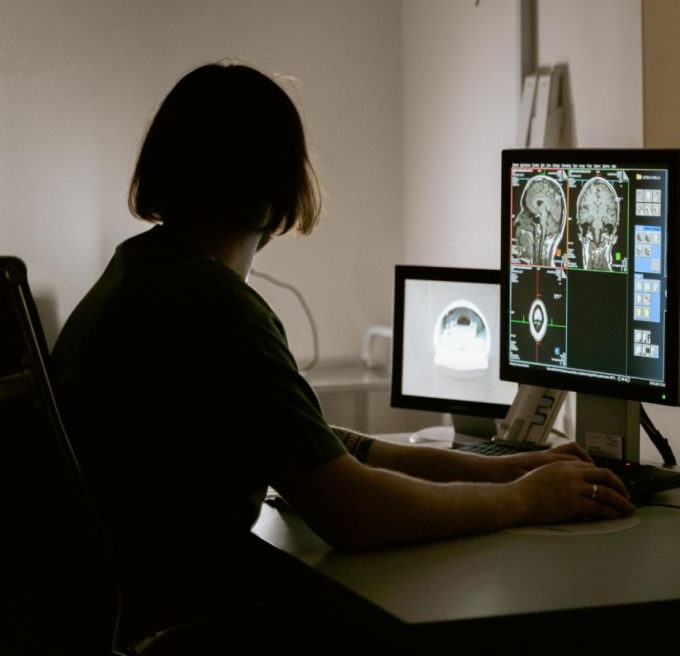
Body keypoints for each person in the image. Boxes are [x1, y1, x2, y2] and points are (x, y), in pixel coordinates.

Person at [51, 61, 634, 651]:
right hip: (184, 619)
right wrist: (522, 500)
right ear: (278, 182)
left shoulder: (138, 272)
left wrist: (504, 467)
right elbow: (354, 512)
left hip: (129, 613)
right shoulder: (217, 306)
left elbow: (318, 448)